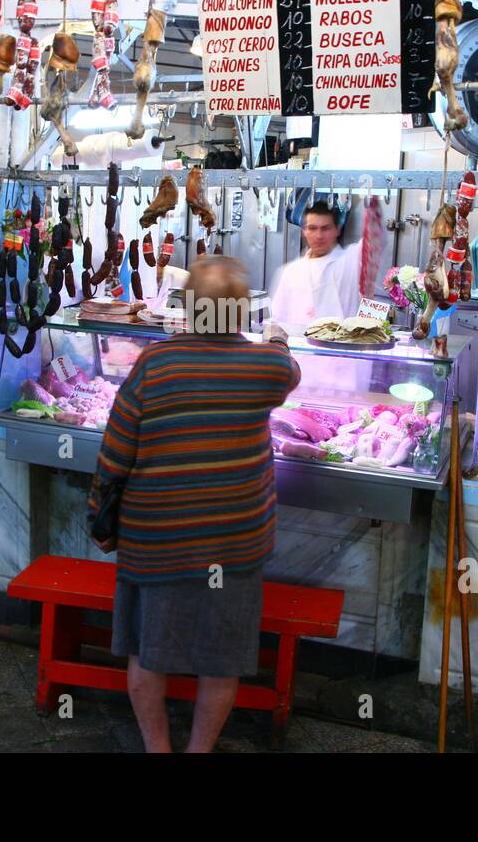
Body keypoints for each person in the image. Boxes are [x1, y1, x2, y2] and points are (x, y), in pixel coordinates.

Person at [88, 256, 300, 752]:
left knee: (147, 653)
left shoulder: (155, 363)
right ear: (242, 311)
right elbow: (289, 368)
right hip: (232, 547)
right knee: (221, 658)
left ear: (189, 308)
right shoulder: (265, 366)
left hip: (156, 541)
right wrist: (278, 336)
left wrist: (100, 516)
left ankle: (158, 748)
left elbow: (115, 452)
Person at [269, 198, 385, 325]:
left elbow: (376, 238)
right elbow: (276, 319)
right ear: (304, 232)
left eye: (325, 228)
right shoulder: (290, 272)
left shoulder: (351, 259)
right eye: (312, 228)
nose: (319, 236)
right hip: (299, 341)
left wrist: (371, 197)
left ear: (338, 230)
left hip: (342, 342)